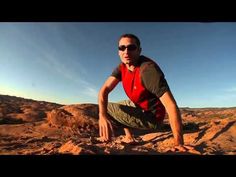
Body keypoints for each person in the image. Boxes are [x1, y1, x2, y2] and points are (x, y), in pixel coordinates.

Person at [98, 33, 194, 152]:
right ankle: (129, 137)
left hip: (152, 117)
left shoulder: (148, 70)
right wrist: (102, 116)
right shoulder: (122, 67)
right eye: (122, 48)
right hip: (140, 107)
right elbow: (104, 90)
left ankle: (114, 135)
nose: (126, 51)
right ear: (118, 51)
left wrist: (179, 143)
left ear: (139, 50)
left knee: (108, 107)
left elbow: (171, 105)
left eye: (131, 47)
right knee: (121, 103)